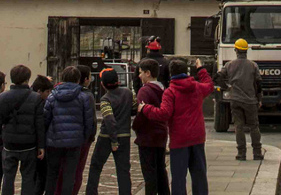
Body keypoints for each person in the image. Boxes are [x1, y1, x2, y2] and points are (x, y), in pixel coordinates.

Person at [139, 57, 214, 195]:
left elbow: (163, 114)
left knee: (179, 178)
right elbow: (209, 85)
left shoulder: (171, 92)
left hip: (179, 140)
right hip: (197, 137)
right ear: (186, 71)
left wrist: (145, 108)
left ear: (171, 73)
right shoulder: (196, 87)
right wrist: (201, 69)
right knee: (199, 175)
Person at [0, 64, 46, 195]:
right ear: (27, 79)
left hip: (9, 143)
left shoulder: (2, 98)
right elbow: (39, 124)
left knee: (8, 177)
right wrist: (41, 146)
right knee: (28, 177)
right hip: (29, 144)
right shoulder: (35, 98)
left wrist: (1, 143)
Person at [44, 65, 94, 195]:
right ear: (78, 80)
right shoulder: (83, 97)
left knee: (52, 174)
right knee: (69, 175)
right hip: (75, 142)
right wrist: (84, 137)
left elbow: (45, 119)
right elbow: (88, 121)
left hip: (54, 141)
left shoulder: (52, 96)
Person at [86, 67, 134, 195]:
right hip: (125, 135)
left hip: (106, 137)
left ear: (102, 84)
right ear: (118, 80)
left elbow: (109, 120)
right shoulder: (128, 93)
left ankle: (91, 192)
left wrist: (113, 141)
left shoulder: (105, 99)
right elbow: (134, 108)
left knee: (96, 166)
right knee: (123, 170)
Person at [218, 38, 262, 161]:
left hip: (235, 99)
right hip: (250, 100)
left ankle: (241, 153)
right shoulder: (253, 65)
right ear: (246, 51)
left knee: (239, 126)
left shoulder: (229, 65)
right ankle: (257, 153)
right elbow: (259, 84)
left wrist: (226, 87)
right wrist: (259, 99)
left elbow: (218, 77)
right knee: (254, 126)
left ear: (236, 50)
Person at [134, 58, 170, 195]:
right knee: (161, 170)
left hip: (147, 136)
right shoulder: (163, 89)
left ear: (148, 73)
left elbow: (141, 115)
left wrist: (135, 126)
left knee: (149, 173)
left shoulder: (144, 91)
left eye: (141, 72)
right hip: (161, 134)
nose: (139, 76)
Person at [69, 66, 95, 195]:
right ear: (84, 79)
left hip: (60, 138)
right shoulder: (87, 96)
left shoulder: (56, 92)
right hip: (81, 138)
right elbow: (91, 120)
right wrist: (90, 137)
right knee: (78, 171)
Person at [32, 75, 54, 195]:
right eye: (47, 91)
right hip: (38, 144)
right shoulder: (38, 103)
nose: (49, 94)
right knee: (40, 176)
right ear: (39, 91)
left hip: (31, 143)